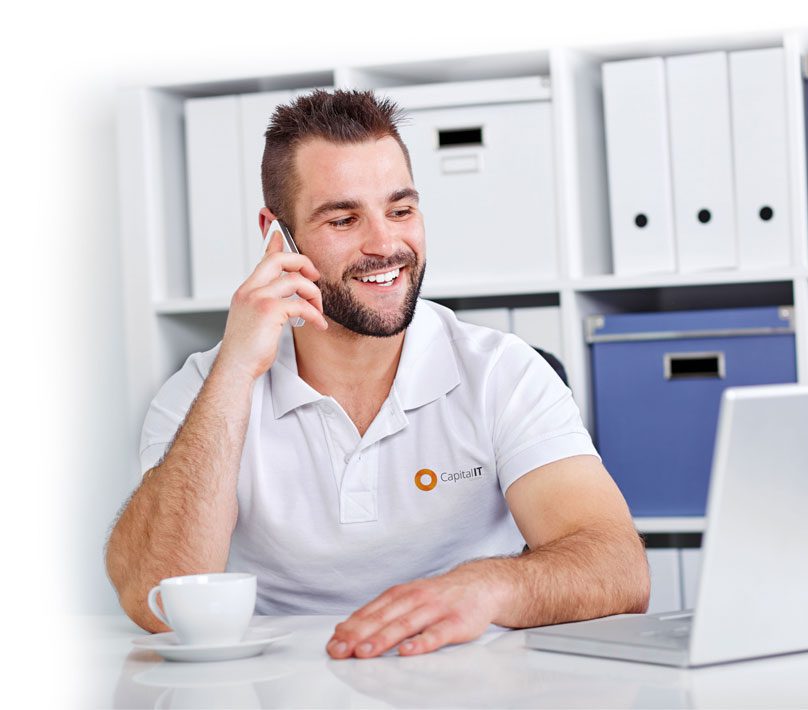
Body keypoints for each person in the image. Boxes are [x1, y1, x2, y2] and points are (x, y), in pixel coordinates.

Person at [105, 89, 649, 659]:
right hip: (278, 687)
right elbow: (155, 598)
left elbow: (618, 568)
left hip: (463, 682)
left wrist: (485, 587)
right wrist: (236, 370)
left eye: (401, 210)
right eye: (343, 219)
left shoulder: (503, 372)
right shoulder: (205, 389)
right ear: (276, 235)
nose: (386, 245)